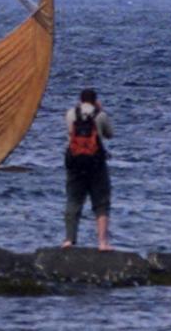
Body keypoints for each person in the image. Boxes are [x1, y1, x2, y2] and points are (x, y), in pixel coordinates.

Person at [62, 87, 116, 250]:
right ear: (95, 100)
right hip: (96, 164)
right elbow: (110, 134)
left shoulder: (70, 114)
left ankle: (69, 240)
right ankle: (102, 243)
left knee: (73, 201)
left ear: (80, 100)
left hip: (75, 163)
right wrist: (101, 111)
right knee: (101, 203)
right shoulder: (101, 115)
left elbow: (69, 133)